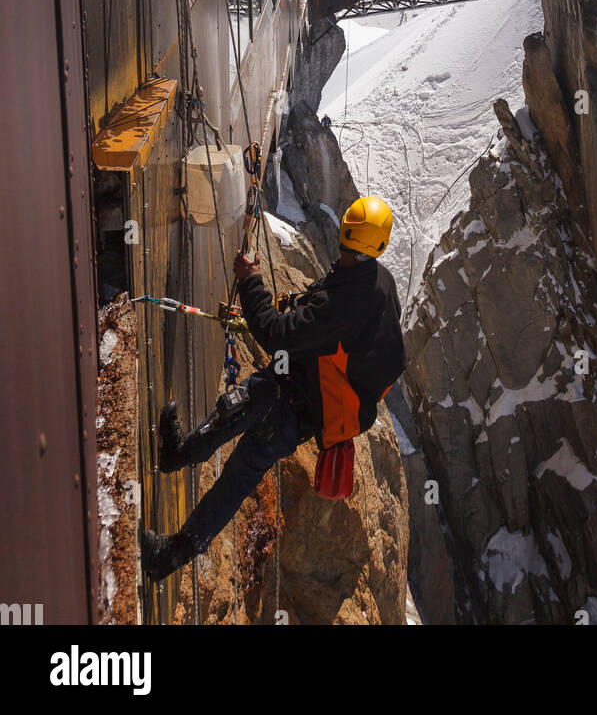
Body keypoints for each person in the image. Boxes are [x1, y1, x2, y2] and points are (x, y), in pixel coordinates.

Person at [141, 196, 406, 581]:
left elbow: (275, 334)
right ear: (379, 245)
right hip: (300, 380)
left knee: (241, 470)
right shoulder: (380, 280)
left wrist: (251, 285)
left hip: (300, 405)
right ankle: (178, 453)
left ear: (344, 231)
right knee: (233, 408)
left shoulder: (342, 305)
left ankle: (171, 556)